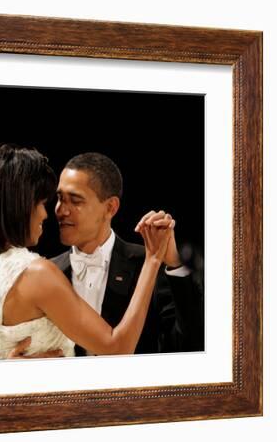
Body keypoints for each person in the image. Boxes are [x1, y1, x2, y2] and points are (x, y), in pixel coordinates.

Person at [0, 144, 175, 362]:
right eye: (42, 203)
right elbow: (118, 348)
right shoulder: (38, 273)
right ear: (20, 206)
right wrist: (153, 259)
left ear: (110, 207)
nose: (47, 214)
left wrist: (3, 370)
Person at [36, 152, 203, 356]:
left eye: (75, 200)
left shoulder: (148, 262)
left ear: (110, 208)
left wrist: (175, 263)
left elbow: (190, 343)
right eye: (60, 198)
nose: (61, 210)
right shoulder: (45, 273)